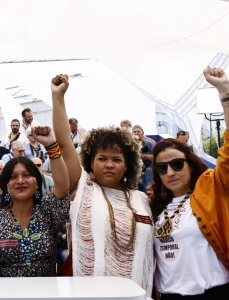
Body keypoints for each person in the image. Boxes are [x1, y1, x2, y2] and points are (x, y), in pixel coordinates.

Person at [50, 74, 154, 295]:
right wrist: (58, 97)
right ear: (90, 162)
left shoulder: (142, 199)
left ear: (127, 166)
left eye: (117, 160)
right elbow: (65, 144)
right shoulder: (83, 187)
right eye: (102, 159)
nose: (109, 165)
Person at [150, 66, 229, 298]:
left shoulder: (210, 187)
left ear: (190, 164)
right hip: (169, 295)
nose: (170, 172)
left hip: (212, 292)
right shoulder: (154, 205)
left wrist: (225, 95)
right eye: (162, 168)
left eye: (177, 164)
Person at [0, 126, 70, 277]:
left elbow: (62, 188)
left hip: (48, 294)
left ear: (37, 183)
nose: (20, 181)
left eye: (26, 175)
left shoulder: (47, 211)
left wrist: (51, 146)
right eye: (12, 177)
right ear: (4, 185)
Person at [132, 125, 154, 193]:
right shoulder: (129, 145)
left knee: (149, 193)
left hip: (148, 174)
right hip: (134, 174)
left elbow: (154, 157)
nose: (136, 133)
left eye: (138, 131)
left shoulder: (150, 144)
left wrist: (142, 155)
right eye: (134, 132)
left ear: (143, 133)